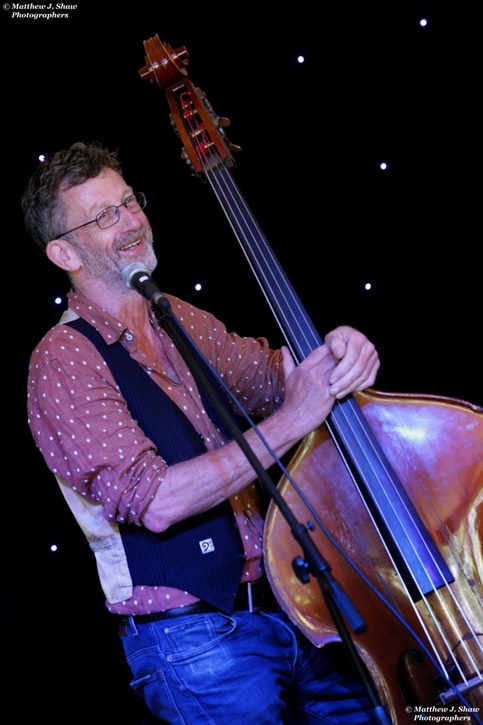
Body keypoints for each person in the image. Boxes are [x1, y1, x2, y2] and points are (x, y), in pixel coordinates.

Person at [22, 140, 381, 724]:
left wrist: (337, 350)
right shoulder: (63, 358)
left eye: (130, 202)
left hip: (292, 606)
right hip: (193, 639)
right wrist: (294, 418)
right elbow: (157, 501)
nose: (132, 221)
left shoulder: (178, 316)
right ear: (64, 252)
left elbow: (274, 377)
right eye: (104, 215)